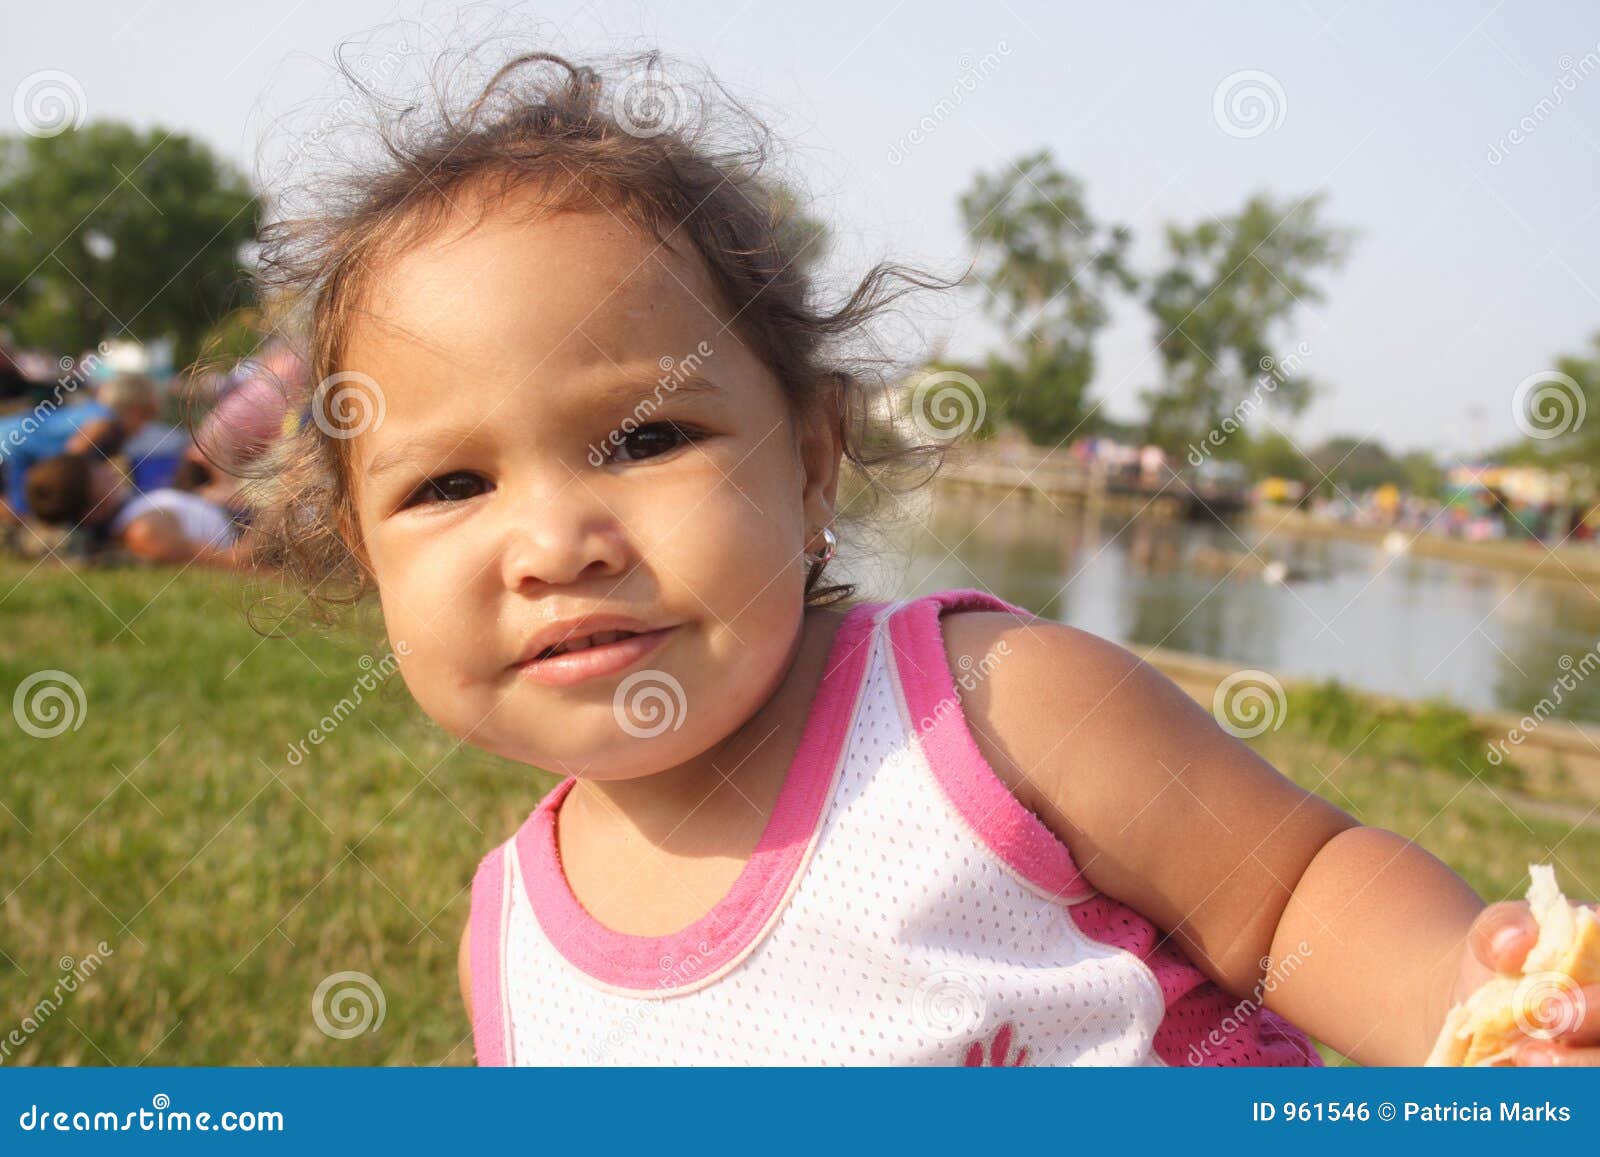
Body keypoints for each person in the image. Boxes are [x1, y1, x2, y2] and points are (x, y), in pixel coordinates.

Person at [240, 49, 1597, 1067]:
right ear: (363, 553)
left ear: (814, 463)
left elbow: (1293, 888)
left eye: (645, 436)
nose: (551, 543)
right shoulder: (513, 944)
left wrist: (1459, 997)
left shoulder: (991, 708)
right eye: (449, 485)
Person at [22, 452, 252, 569]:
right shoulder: (144, 532)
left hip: (242, 517)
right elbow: (234, 563)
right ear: (91, 512)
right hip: (254, 533)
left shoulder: (131, 514)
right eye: (97, 476)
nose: (107, 470)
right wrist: (277, 513)